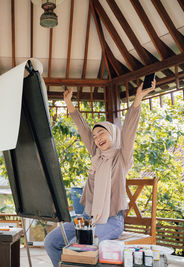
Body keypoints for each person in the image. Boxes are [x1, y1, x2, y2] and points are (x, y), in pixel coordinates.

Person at [44, 80, 156, 266]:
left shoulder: (122, 157)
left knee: (76, 247)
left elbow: (129, 130)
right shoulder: (97, 156)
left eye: (102, 133)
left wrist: (137, 99)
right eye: (95, 136)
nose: (97, 138)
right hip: (88, 219)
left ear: (112, 134)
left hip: (111, 221)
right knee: (51, 242)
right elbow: (83, 129)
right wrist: (69, 104)